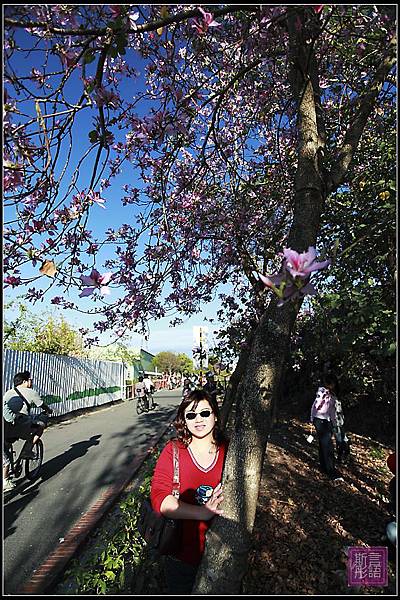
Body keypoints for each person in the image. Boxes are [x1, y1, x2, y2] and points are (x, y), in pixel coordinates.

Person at [151, 389, 228, 594]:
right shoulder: (173, 450)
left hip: (222, 552)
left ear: (215, 415)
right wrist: (202, 512)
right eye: (191, 415)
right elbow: (160, 499)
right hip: (182, 555)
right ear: (184, 420)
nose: (198, 420)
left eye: (204, 413)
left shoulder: (229, 450)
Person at [3, 370, 53, 489]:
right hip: (20, 424)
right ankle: (28, 449)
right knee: (40, 425)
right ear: (25, 381)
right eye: (30, 380)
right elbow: (42, 405)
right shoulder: (31, 392)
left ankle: (8, 472)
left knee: (6, 446)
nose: (32, 382)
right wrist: (48, 411)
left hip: (6, 426)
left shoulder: (8, 393)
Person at [310, 373, 343, 482]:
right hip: (320, 421)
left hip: (325, 421)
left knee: (324, 444)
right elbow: (317, 405)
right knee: (327, 445)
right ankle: (330, 470)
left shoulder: (331, 395)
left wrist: (334, 423)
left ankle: (324, 467)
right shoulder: (323, 392)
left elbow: (331, 411)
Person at [332, 390, 350, 464]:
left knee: (341, 440)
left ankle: (343, 456)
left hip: (338, 422)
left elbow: (339, 411)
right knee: (340, 440)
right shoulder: (332, 399)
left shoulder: (336, 400)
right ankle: (341, 456)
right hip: (336, 422)